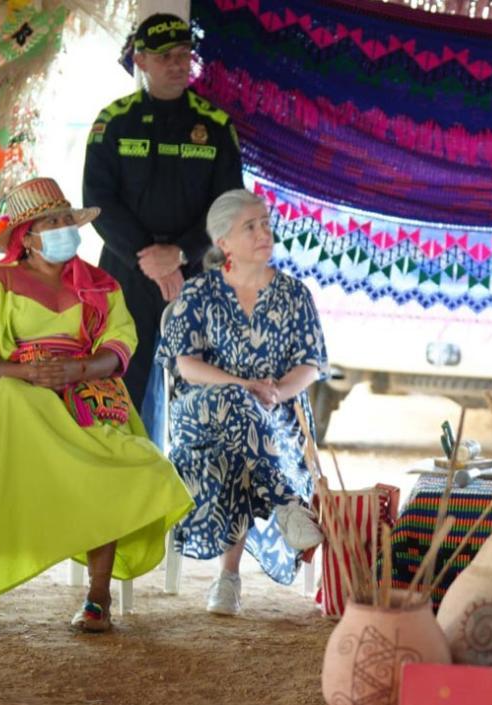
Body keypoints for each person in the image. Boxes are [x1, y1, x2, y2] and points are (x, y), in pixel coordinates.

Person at [0, 177, 194, 632]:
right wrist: (26, 374)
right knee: (5, 397)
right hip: (18, 397)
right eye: (53, 221)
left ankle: (97, 594)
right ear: (26, 237)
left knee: (117, 461)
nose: (65, 227)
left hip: (86, 389)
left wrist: (78, 370)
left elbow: (121, 345)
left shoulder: (101, 283)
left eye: (68, 219)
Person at [156, 189, 327, 615]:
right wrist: (245, 385)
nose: (263, 232)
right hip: (203, 413)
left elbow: (310, 364)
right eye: (250, 226)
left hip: (275, 420)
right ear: (223, 242)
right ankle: (287, 503)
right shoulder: (198, 293)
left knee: (238, 447)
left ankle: (226, 581)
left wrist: (276, 393)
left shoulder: (294, 294)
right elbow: (188, 366)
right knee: (234, 402)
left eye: (266, 223)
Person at [82, 12, 244, 441]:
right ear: (141, 59)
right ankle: (129, 500)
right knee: (123, 390)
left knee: (198, 397)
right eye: (165, 56)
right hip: (127, 274)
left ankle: (195, 501)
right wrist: (150, 259)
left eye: (184, 55)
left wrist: (180, 254)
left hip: (197, 276)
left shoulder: (215, 125)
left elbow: (229, 206)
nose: (177, 64)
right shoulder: (113, 123)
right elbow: (98, 201)